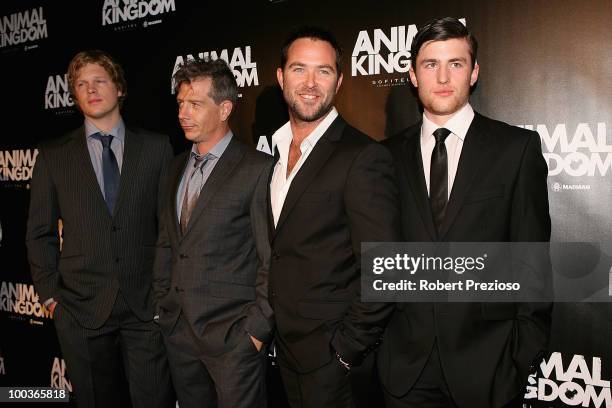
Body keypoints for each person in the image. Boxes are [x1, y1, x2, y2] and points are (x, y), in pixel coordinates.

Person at [379, 17, 552, 408]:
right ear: (412, 75)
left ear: (473, 72)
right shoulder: (384, 157)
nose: (443, 76)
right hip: (404, 368)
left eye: (455, 64)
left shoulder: (515, 149)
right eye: (430, 64)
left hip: (488, 365)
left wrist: (522, 358)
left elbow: (532, 260)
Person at [26, 50, 174, 407]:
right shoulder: (53, 156)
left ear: (119, 88)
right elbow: (39, 233)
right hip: (80, 308)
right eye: (81, 84)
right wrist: (51, 298)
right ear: (74, 96)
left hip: (145, 307)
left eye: (99, 81)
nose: (91, 90)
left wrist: (164, 295)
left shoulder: (156, 148)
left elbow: (171, 228)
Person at [268, 26, 401, 408]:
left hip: (332, 364)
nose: (310, 83)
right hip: (283, 355)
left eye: (323, 71)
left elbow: (386, 268)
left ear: (339, 81)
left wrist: (344, 352)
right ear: (280, 77)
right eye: (299, 69)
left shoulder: (362, 156)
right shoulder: (274, 155)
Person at [153, 58, 273, 408]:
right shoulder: (174, 167)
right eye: (180, 104)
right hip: (178, 333)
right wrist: (163, 308)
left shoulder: (257, 169)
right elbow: (167, 242)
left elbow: (270, 257)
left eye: (195, 104)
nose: (183, 113)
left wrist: (254, 332)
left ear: (224, 109)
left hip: (233, 338)